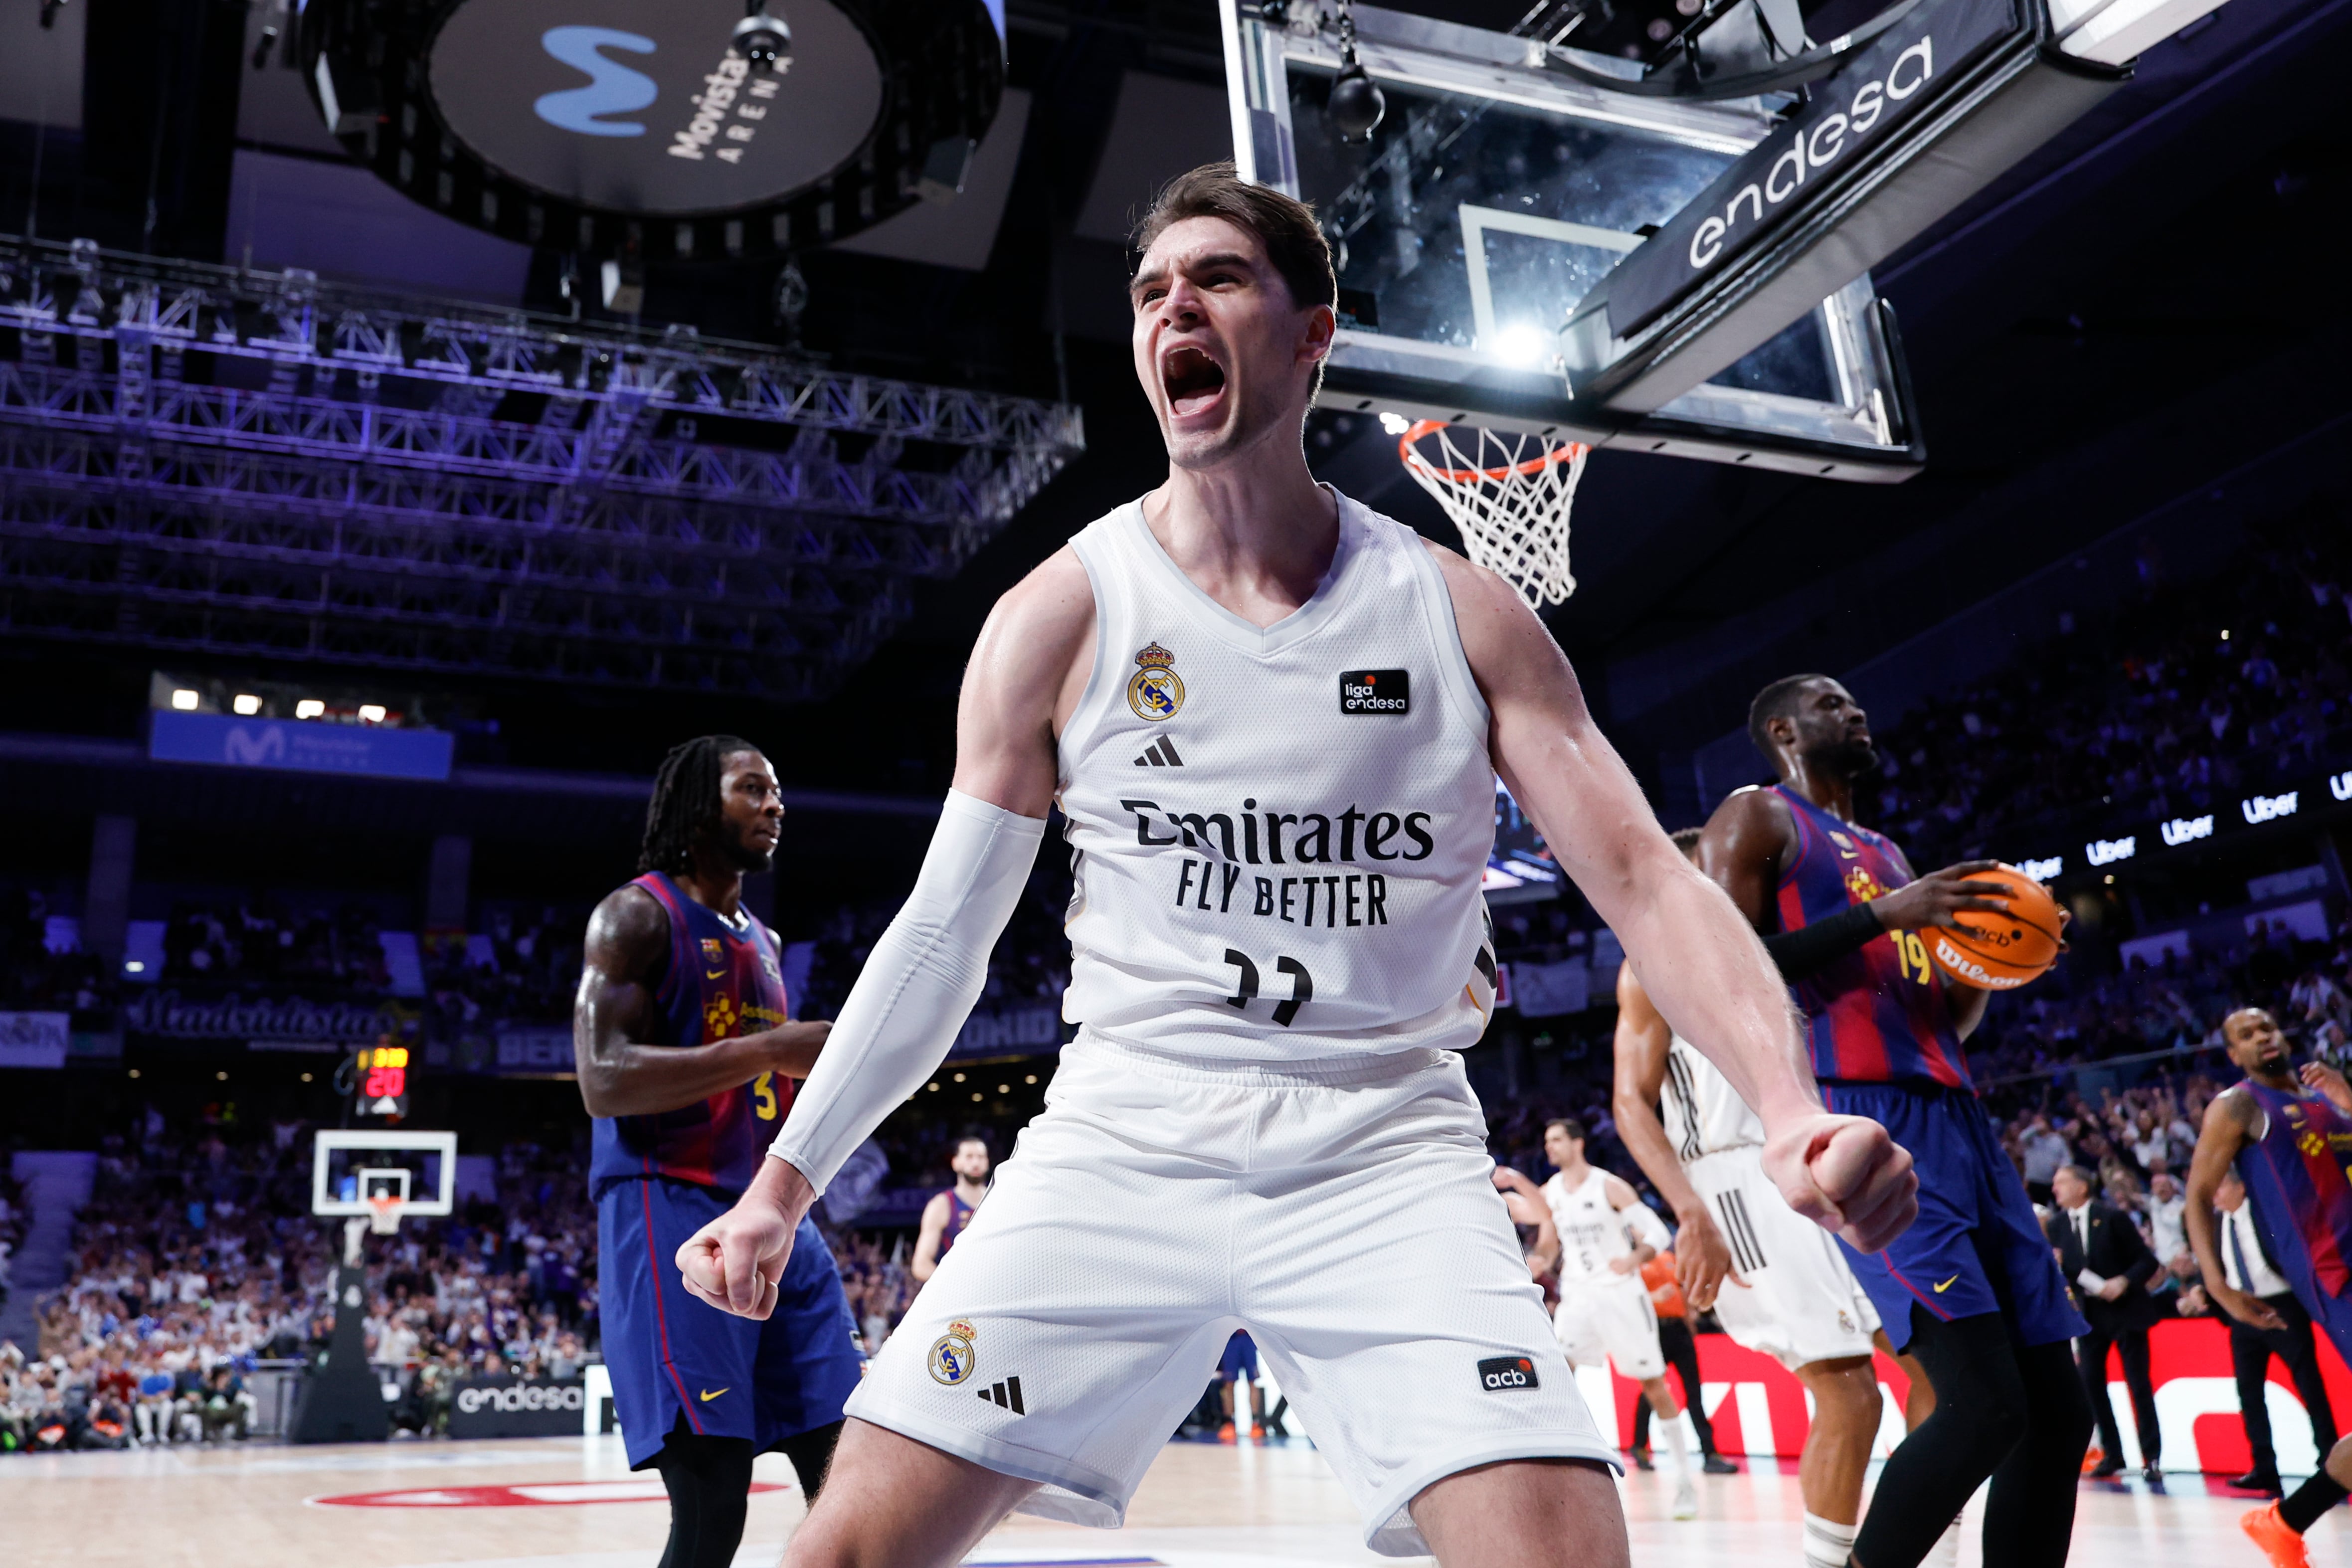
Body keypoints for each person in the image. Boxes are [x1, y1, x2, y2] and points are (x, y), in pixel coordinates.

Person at [673, 163, 1916, 1568]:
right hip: (1127, 1130)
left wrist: (1784, 1107)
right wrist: (781, 1188)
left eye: (1215, 279)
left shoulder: (1457, 613)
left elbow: (1641, 875)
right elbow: (941, 935)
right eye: (1150, 291)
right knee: (836, 1555)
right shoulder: (1061, 614)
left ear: (1312, 333)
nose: (1172, 310)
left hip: (1382, 1143)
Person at [1699, 674, 2092, 1568]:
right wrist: (1884, 914)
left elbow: (1942, 1018)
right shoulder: (1755, 817)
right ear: (1782, 729)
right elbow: (1724, 968)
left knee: (2057, 1412)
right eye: (1831, 705)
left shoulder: (1888, 852)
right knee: (1982, 1406)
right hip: (1863, 1116)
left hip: (1960, 1115)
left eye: (1854, 702)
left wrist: (2000, 961)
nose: (1856, 713)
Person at [574, 735, 861, 1568]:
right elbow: (601, 1079)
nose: (775, 804)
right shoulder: (635, 916)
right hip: (672, 1207)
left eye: (777, 791)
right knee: (713, 1508)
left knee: (853, 1475)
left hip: (774, 1213)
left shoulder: (764, 938)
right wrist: (769, 1050)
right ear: (701, 804)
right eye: (752, 789)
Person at [1614, 829, 1889, 1568]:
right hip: (1734, 1179)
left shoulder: (1776, 953)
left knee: (1945, 1376)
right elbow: (1630, 1103)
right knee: (1851, 1393)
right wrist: (1689, 1211)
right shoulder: (1651, 965)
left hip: (1820, 1156)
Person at [2185, 1007, 2352, 1568]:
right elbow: (2197, 1195)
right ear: (2233, 1054)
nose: (2263, 1037)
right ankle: (2285, 1521)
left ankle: (2284, 1522)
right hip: (2333, 1272)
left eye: (2267, 1027)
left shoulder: (2327, 1095)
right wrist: (2217, 1284)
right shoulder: (2237, 1105)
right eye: (2247, 1034)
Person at [1496, 1119, 1709, 1519]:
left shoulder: (1608, 1186)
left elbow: (1657, 1233)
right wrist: (1536, 1262)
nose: (1549, 1147)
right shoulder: (1551, 1191)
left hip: (1619, 1293)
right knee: (1558, 1373)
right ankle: (1563, 1473)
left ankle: (1684, 1481)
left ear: (1577, 1143)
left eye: (1556, 1139)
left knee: (1652, 1384)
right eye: (1546, 1140)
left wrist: (1632, 1259)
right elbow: (1547, 1240)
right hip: (1579, 1293)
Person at [2209, 1168, 2338, 1496]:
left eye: (2220, 1187)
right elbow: (2213, 1267)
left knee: (2308, 1384)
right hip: (2243, 1312)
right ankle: (2264, 1467)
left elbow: (2294, 1255)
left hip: (2282, 1305)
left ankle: (2329, 1462)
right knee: (2248, 1393)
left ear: (2240, 1187)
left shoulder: (2267, 1213)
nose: (2214, 1194)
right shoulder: (2214, 1223)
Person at [2043, 1164, 2161, 1480]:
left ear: (2082, 1186)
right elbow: (2069, 1270)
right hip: (2089, 1315)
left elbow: (2147, 1261)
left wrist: (2124, 1281)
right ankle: (2112, 1453)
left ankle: (2151, 1457)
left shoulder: (2112, 1217)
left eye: (2062, 1182)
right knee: (2092, 1385)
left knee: (2138, 1385)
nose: (2055, 1189)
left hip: (2126, 1310)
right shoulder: (2057, 1226)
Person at [1626, 1249, 1737, 1477]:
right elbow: (1626, 1300)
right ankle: (1639, 1446)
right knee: (1652, 1391)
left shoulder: (1668, 1258)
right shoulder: (1632, 1263)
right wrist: (1653, 1297)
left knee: (1694, 1392)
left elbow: (1681, 1291)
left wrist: (1689, 1322)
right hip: (1654, 1331)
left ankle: (1710, 1454)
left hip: (1679, 1329)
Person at [910, 1137, 991, 1285]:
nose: (976, 1163)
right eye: (969, 1157)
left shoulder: (1000, 1200)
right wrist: (955, 1286)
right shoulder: (942, 1205)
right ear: (956, 1163)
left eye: (980, 1157)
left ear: (987, 1162)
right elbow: (921, 1265)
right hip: (958, 1288)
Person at [1216, 1330, 1266, 1441]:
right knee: (1229, 1383)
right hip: (1231, 1337)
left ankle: (1256, 1424)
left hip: (1249, 1336)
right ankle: (1229, 1424)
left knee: (1253, 1382)